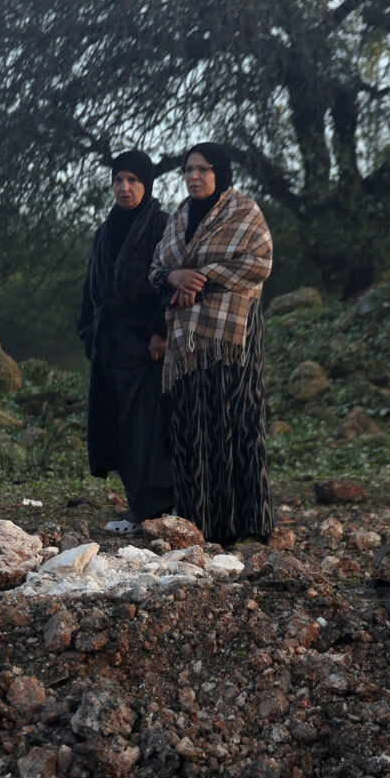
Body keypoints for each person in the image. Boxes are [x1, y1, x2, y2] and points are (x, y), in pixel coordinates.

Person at [149, 141, 276, 544]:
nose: (194, 177)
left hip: (232, 336)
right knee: (192, 428)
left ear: (220, 172)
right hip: (187, 342)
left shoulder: (243, 212)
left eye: (202, 169)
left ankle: (251, 524)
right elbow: (156, 269)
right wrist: (174, 279)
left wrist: (198, 281)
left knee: (238, 423)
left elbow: (258, 262)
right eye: (188, 170)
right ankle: (198, 524)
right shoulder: (177, 219)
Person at [79, 150, 172, 532]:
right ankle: (138, 504)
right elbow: (91, 286)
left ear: (146, 184)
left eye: (133, 180)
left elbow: (170, 279)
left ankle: (153, 507)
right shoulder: (107, 229)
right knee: (117, 423)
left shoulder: (161, 225)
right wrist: (88, 332)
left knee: (145, 426)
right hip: (110, 341)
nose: (124, 187)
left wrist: (161, 330)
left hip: (145, 344)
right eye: (119, 180)